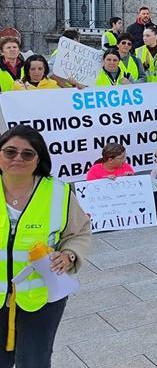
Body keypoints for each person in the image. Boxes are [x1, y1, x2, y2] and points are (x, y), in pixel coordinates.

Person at [0, 126, 91, 368]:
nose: (18, 158)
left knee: (34, 361)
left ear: (38, 159)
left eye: (27, 154)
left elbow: (78, 232)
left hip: (41, 295)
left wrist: (69, 254)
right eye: (10, 152)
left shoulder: (58, 192)